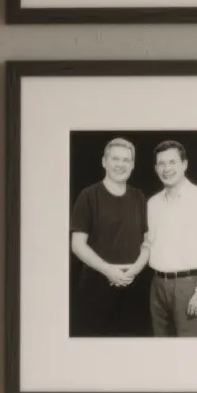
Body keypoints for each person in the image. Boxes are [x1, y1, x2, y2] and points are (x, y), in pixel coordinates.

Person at [69, 137, 150, 337]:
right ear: (104, 162)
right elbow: (77, 245)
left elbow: (148, 242)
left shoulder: (139, 197)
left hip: (134, 285)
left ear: (132, 165)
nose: (120, 164)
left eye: (126, 160)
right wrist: (108, 270)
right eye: (115, 159)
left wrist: (134, 270)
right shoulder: (88, 196)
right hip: (96, 287)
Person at [144, 140, 197, 337]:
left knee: (188, 353)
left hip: (188, 286)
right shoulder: (152, 203)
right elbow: (147, 245)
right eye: (161, 164)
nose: (167, 169)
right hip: (157, 285)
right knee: (159, 350)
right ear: (156, 168)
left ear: (184, 164)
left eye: (172, 162)